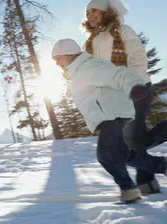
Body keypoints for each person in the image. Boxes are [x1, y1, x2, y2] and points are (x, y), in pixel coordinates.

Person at [51, 38, 167, 203]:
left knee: (105, 154)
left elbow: (119, 74)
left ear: (68, 53)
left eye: (57, 58)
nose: (56, 63)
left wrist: (134, 85)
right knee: (125, 155)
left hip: (112, 115)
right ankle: (162, 165)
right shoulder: (78, 72)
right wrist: (71, 91)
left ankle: (128, 189)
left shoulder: (90, 67)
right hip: (108, 115)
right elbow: (85, 85)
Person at [77, 0, 167, 195]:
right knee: (136, 139)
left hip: (137, 87)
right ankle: (148, 180)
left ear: (106, 11)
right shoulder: (89, 43)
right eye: (87, 12)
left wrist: (133, 82)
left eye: (95, 10)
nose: (90, 15)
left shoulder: (123, 31)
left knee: (131, 140)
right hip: (113, 95)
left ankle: (147, 181)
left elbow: (137, 57)